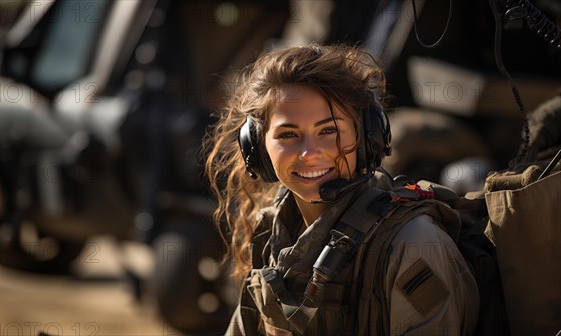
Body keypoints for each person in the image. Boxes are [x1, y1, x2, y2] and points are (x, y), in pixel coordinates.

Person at [204, 44, 479, 336]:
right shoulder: (270, 233)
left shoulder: (413, 244)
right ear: (257, 149)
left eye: (329, 130)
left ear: (366, 137)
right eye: (288, 134)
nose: (309, 153)